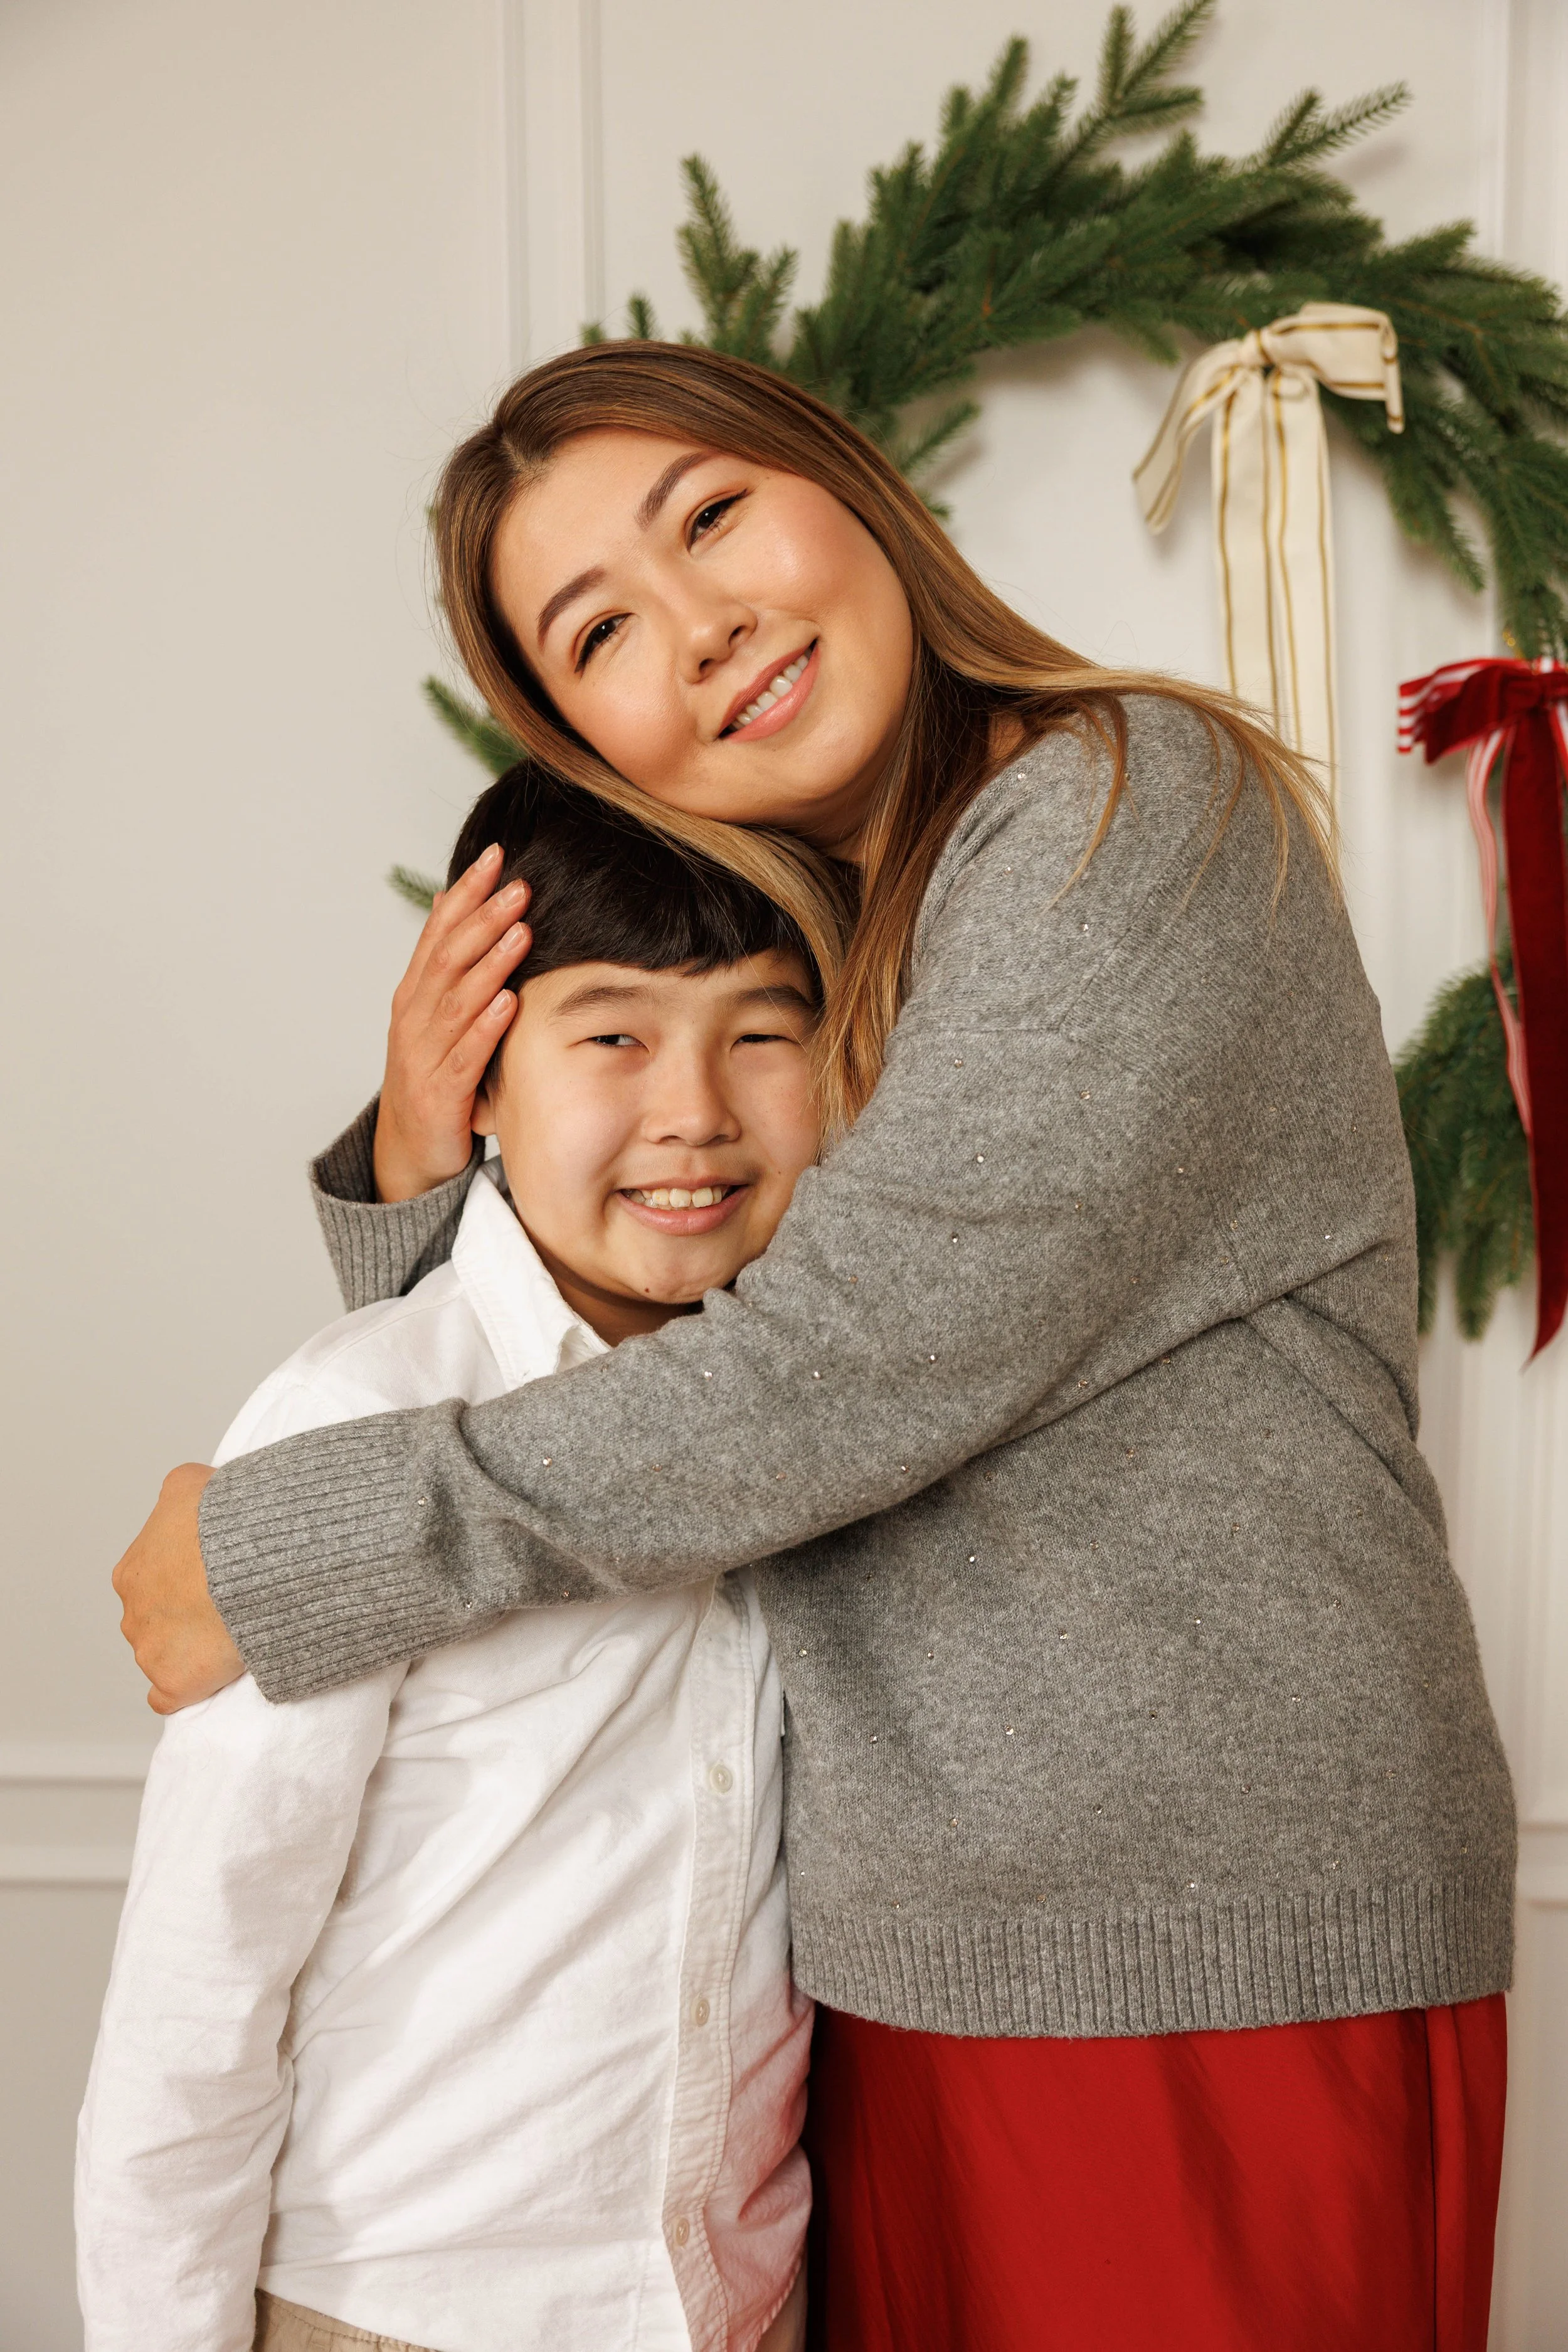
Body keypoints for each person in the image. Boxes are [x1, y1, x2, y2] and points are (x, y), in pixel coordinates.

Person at [115, 342, 1518, 2352]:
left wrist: (284, 1547)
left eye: (709, 519)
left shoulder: (1117, 816)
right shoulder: (857, 930)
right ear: (576, 732)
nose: (700, 629)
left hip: (1192, 1939)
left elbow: (830, 1372)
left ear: (843, 487)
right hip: (905, 1961)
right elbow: (671, 1381)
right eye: (600, 626)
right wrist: (422, 1205)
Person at [82, 767, 834, 2352]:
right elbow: (197, 1993)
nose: (693, 1110)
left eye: (762, 1033)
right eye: (614, 1034)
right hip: (406, 2310)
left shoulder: (836, 1409)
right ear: (477, 1077)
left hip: (733, 2300)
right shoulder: (358, 1420)